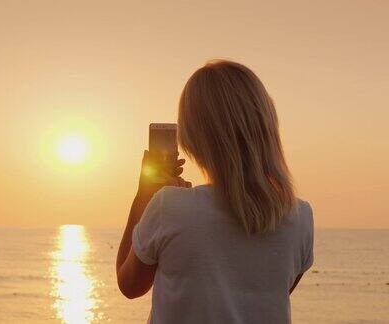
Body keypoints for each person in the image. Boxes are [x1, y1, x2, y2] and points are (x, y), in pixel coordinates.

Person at [116, 60, 314, 323]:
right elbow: (267, 294)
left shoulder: (170, 208)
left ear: (192, 135)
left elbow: (129, 285)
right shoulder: (300, 217)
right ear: (266, 125)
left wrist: (142, 198)